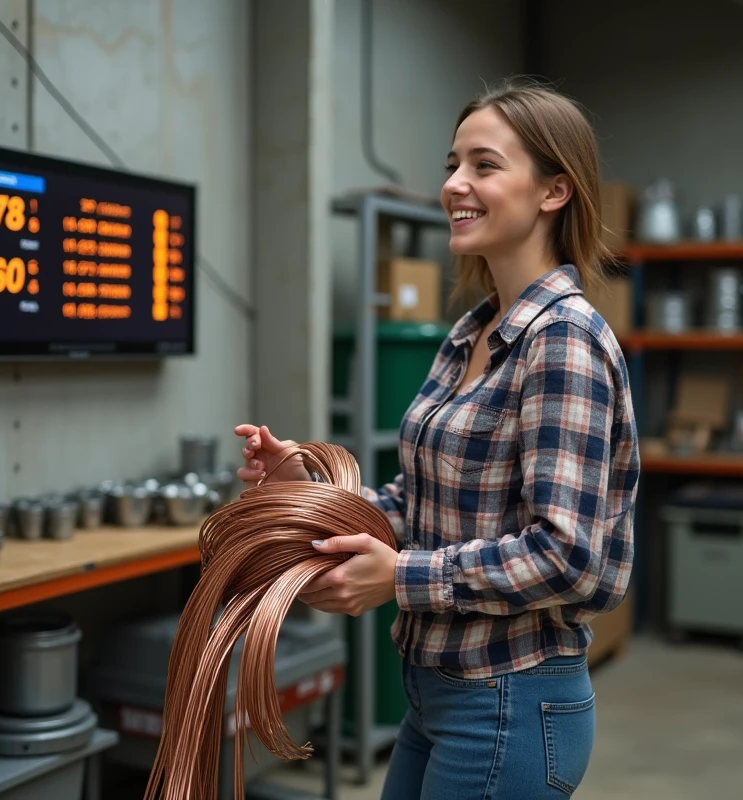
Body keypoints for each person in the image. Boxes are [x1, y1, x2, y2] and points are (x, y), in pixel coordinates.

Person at [234, 78, 638, 800]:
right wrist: (312, 494)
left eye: (485, 165)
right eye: (452, 165)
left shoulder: (563, 341)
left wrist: (399, 578)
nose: (454, 185)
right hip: (437, 690)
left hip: (509, 699)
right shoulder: (471, 333)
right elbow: (421, 501)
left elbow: (568, 557)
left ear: (554, 191)